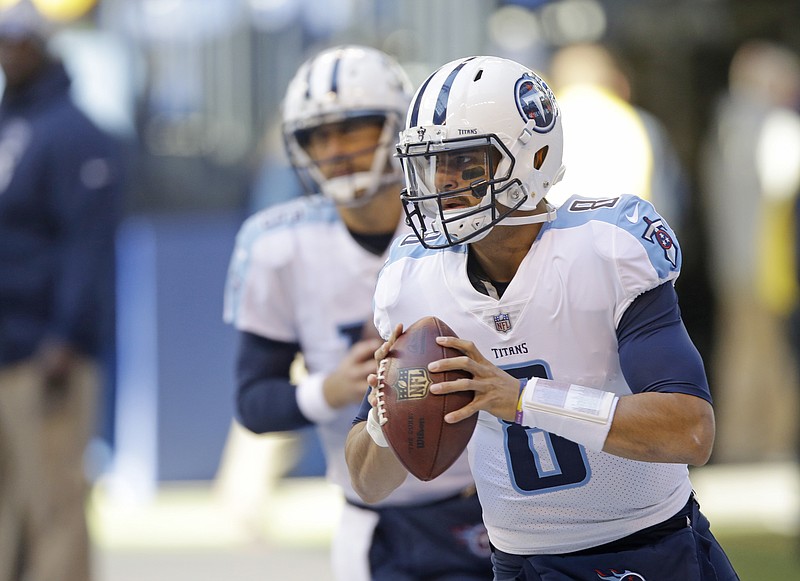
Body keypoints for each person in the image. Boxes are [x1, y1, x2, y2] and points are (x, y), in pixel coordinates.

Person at [345, 55, 739, 580]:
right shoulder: (411, 282)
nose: (442, 185)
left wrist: (522, 400)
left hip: (649, 551)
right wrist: (386, 411)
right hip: (519, 564)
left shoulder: (604, 248)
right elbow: (368, 483)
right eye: (429, 165)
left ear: (534, 156)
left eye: (465, 163)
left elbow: (691, 431)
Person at [223, 45, 491, 580]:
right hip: (377, 517)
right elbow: (255, 403)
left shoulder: (464, 221)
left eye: (352, 128)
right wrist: (333, 388)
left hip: (491, 502)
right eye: (317, 136)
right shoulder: (279, 244)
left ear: (396, 129)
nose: (335, 149)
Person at [0, 2, 123, 581]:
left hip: (46, 353)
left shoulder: (74, 131)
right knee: (8, 508)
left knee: (53, 504)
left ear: (41, 44)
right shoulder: (11, 123)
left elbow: (86, 246)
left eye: (18, 39)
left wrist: (66, 336)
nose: (8, 50)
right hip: (5, 346)